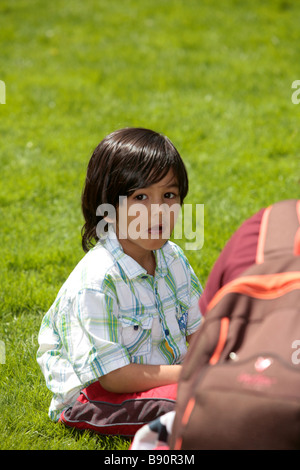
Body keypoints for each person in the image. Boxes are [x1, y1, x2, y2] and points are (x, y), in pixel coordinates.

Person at [37, 127, 203, 428]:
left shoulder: (173, 257)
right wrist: (195, 373)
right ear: (108, 208)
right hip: (95, 396)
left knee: (233, 387)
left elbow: (200, 330)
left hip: (162, 380)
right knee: (197, 404)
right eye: (141, 197)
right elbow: (114, 377)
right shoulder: (97, 282)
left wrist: (225, 362)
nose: (158, 211)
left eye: (169, 195)